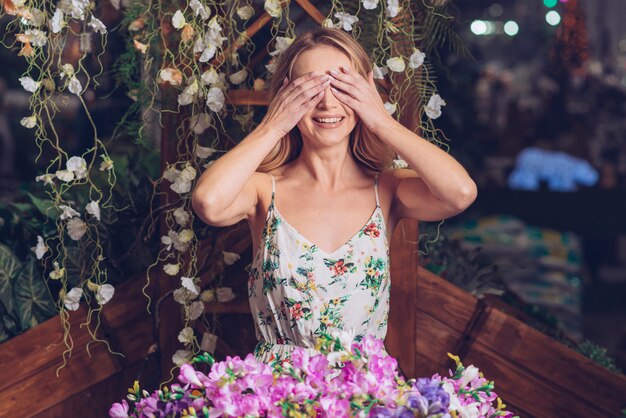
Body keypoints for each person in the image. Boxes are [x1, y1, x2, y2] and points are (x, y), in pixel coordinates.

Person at [191, 27, 477, 366]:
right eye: (312, 90)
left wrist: (380, 120)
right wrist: (274, 125)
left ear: (365, 91)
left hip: (364, 397)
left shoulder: (386, 189)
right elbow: (208, 202)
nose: (328, 102)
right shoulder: (261, 190)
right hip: (275, 396)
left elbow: (459, 193)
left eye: (342, 87)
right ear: (286, 95)